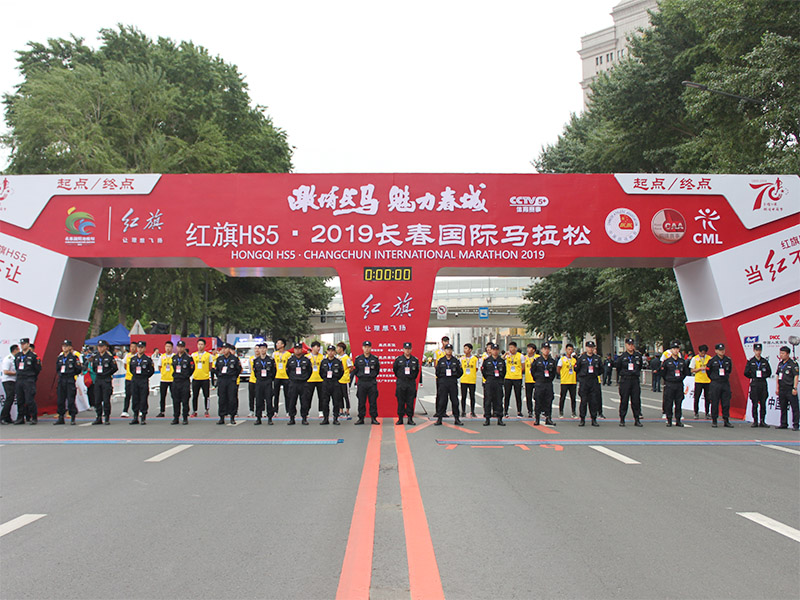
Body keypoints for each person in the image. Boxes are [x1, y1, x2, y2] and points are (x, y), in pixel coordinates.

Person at [616, 338, 644, 427]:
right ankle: (622, 419)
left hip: (635, 380)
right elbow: (618, 368)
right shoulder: (622, 357)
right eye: (629, 344)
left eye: (632, 344)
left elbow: (640, 366)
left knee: (636, 400)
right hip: (625, 380)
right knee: (624, 400)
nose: (631, 346)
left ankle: (637, 419)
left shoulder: (638, 356)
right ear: (626, 345)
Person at [743, 343, 771, 428]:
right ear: (754, 350)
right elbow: (746, 372)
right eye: (756, 350)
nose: (758, 352)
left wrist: (763, 376)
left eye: (759, 350)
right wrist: (753, 376)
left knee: (763, 403)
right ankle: (755, 421)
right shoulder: (751, 361)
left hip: (762, 383)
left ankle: (762, 421)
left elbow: (769, 372)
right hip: (755, 384)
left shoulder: (764, 361)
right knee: (754, 403)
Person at [13, 338, 40, 425]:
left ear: (28, 344)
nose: (22, 345)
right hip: (20, 379)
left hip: (28, 379)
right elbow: (16, 367)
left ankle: (34, 417)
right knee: (20, 399)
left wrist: (32, 377)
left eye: (24, 344)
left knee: (29, 399)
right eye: (21, 344)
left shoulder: (33, 356)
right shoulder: (18, 356)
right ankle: (20, 417)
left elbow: (37, 369)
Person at [660, 341, 688, 426]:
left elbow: (685, 372)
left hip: (679, 384)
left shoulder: (682, 361)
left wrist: (680, 378)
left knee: (678, 402)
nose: (675, 350)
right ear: (671, 350)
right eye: (674, 349)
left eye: (677, 349)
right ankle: (669, 419)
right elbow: (663, 373)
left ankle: (678, 420)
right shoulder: (667, 362)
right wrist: (668, 379)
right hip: (670, 384)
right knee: (669, 402)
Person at [435, 343, 463, 426]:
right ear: (445, 350)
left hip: (452, 382)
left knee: (455, 401)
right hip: (443, 382)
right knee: (442, 401)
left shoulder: (456, 361)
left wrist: (454, 377)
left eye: (450, 349)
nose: (449, 351)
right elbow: (437, 372)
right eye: (447, 349)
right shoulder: (441, 360)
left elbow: (460, 372)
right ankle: (439, 419)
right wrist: (442, 378)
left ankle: (457, 419)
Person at [54, 339, 82, 425]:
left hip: (69, 379)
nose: (64, 348)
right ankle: (61, 417)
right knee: (60, 399)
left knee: (70, 399)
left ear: (70, 347)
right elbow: (57, 368)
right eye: (63, 346)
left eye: (66, 346)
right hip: (61, 379)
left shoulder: (74, 358)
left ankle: (72, 417)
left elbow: (78, 369)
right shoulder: (60, 358)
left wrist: (71, 374)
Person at [576, 341, 602, 427]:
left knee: (593, 401)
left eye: (592, 347)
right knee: (583, 401)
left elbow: (601, 370)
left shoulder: (597, 358)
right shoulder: (581, 358)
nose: (590, 349)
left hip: (593, 381)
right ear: (586, 348)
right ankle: (582, 419)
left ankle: (594, 419)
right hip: (584, 381)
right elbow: (577, 369)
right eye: (589, 347)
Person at [707, 343, 734, 428]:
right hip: (715, 383)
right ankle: (714, 420)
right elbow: (708, 371)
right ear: (716, 351)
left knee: (726, 402)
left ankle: (726, 420)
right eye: (720, 350)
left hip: (725, 382)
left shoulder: (727, 360)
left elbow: (729, 370)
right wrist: (714, 378)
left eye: (723, 350)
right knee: (714, 402)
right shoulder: (712, 360)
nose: (722, 351)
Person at [354, 341, 380, 425]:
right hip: (362, 382)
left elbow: (377, 370)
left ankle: (374, 418)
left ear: (371, 348)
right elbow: (356, 370)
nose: (367, 349)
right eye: (365, 347)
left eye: (368, 347)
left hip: (371, 382)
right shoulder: (358, 359)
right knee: (361, 401)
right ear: (362, 348)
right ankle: (361, 418)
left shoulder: (374, 359)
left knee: (373, 401)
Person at [91, 341, 118, 425]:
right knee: (97, 400)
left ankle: (106, 417)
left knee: (106, 400)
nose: (100, 348)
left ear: (106, 347)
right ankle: (98, 417)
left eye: (102, 346)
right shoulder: (96, 357)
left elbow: (114, 368)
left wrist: (107, 373)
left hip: (106, 379)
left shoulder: (109, 357)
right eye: (99, 346)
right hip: (98, 379)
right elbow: (94, 367)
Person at [285, 343, 312, 425]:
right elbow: (288, 371)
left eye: (299, 349)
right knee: (292, 401)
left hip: (303, 383)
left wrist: (305, 378)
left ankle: (304, 418)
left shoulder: (306, 360)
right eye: (296, 349)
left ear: (302, 349)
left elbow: (309, 371)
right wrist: (292, 378)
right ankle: (292, 418)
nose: (297, 350)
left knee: (304, 401)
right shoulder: (290, 360)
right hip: (293, 383)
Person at [393, 342, 420, 425]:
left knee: (410, 401)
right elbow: (395, 370)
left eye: (409, 349)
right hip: (401, 382)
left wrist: (410, 377)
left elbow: (416, 372)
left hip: (411, 383)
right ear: (403, 349)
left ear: (411, 349)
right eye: (406, 349)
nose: (407, 350)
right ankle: (400, 419)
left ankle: (410, 419)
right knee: (400, 401)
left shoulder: (415, 360)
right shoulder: (398, 359)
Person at [128, 341, 154, 424]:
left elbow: (151, 370)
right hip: (135, 380)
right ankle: (135, 416)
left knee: (143, 398)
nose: (140, 349)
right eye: (138, 347)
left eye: (142, 347)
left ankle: (143, 416)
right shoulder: (133, 359)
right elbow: (131, 369)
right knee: (135, 398)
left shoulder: (147, 359)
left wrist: (145, 376)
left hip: (143, 380)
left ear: (144, 348)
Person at [214, 343, 241, 425]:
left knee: (232, 399)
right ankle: (222, 417)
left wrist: (233, 377)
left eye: (226, 348)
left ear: (229, 349)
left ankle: (232, 417)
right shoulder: (219, 359)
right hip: (222, 380)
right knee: (222, 398)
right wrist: (220, 376)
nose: (224, 350)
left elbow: (238, 369)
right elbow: (216, 370)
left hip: (231, 380)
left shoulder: (234, 359)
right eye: (223, 348)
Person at [531, 342, 557, 425]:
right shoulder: (537, 361)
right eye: (545, 349)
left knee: (549, 401)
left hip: (548, 383)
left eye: (548, 349)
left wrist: (549, 379)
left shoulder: (552, 361)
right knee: (538, 400)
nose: (546, 350)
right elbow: (533, 371)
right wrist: (537, 379)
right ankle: (537, 418)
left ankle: (548, 418)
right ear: (542, 350)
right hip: (539, 383)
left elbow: (554, 373)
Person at [480, 344, 506, 426]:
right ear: (491, 350)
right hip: (489, 381)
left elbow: (504, 371)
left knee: (499, 400)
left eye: (496, 349)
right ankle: (487, 418)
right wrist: (489, 378)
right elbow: (483, 371)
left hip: (498, 381)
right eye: (493, 349)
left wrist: (500, 379)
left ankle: (499, 418)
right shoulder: (487, 360)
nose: (495, 351)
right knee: (488, 400)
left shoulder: (501, 361)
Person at [318, 345, 344, 425]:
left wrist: (336, 378)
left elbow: (341, 372)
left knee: (336, 401)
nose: (330, 352)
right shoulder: (323, 362)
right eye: (329, 351)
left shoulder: (338, 362)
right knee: (325, 401)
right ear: (327, 352)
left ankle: (335, 418)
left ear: (335, 352)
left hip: (335, 383)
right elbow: (321, 372)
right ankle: (325, 419)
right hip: (326, 383)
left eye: (332, 351)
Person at [170, 341, 194, 425]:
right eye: (179, 346)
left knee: (185, 400)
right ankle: (176, 417)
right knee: (175, 400)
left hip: (184, 381)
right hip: (176, 381)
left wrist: (186, 375)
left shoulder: (188, 358)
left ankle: (185, 417)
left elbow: (191, 369)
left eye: (182, 347)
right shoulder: (174, 358)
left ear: (184, 347)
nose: (180, 348)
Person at [775, 346, 799, 431]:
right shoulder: (780, 364)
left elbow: (796, 376)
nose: (781, 355)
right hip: (782, 388)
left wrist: (795, 387)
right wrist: (777, 387)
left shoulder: (793, 364)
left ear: (788, 354)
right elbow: (777, 375)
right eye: (780, 353)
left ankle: (796, 424)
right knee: (783, 407)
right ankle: (783, 423)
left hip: (790, 388)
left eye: (783, 353)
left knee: (794, 407)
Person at [252, 343, 276, 425]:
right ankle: (258, 418)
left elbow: (274, 371)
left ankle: (270, 418)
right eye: (261, 348)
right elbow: (255, 372)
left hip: (267, 381)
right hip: (259, 381)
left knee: (269, 400)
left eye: (264, 348)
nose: (262, 350)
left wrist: (270, 379)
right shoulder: (256, 360)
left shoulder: (270, 360)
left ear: (266, 349)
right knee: (258, 400)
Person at [690, 345, 711, 419]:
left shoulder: (709, 358)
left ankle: (707, 412)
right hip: (698, 380)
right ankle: (696, 412)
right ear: (699, 352)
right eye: (701, 353)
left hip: (707, 380)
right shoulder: (695, 358)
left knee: (707, 398)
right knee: (697, 397)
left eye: (704, 353)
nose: (703, 354)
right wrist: (699, 369)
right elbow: (692, 370)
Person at [503, 341, 523, 418]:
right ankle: (505, 411)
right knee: (507, 395)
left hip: (517, 378)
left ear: (515, 348)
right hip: (508, 377)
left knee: (518, 395)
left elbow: (523, 366)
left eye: (512, 347)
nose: (510, 349)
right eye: (509, 347)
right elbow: (500, 359)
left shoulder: (520, 356)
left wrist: (518, 372)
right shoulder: (508, 356)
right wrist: (505, 354)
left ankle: (519, 411)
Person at [0, 344, 19, 424]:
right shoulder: (8, 359)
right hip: (8, 380)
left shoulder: (15, 359)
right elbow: (6, 371)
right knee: (9, 398)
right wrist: (16, 373)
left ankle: (7, 417)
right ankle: (3, 417)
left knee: (11, 399)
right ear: (15, 350)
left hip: (13, 380)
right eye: (18, 350)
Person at [557, 344, 577, 418]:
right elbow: (558, 369)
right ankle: (561, 412)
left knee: (573, 398)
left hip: (573, 381)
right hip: (564, 381)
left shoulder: (574, 360)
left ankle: (573, 412)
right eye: (569, 349)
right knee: (562, 397)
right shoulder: (562, 359)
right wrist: (562, 375)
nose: (570, 351)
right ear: (566, 350)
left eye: (571, 349)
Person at [305, 341, 325, 417]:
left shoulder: (322, 357)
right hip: (310, 379)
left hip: (320, 379)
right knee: (308, 397)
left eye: (319, 347)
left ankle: (321, 411)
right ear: (312, 347)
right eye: (317, 347)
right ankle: (306, 411)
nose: (318, 348)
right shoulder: (307, 357)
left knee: (321, 396)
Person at [272, 338, 291, 417]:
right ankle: (275, 411)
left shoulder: (288, 354)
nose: (277, 345)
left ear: (283, 345)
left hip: (286, 377)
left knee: (287, 395)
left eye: (278, 343)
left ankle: (288, 411)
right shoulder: (274, 354)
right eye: (277, 343)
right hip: (277, 376)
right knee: (276, 395)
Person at [460, 343, 478, 418]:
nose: (465, 350)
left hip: (472, 380)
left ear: (470, 350)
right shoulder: (461, 358)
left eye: (466, 348)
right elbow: (460, 368)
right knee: (463, 396)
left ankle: (472, 411)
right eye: (464, 348)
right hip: (463, 379)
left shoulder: (475, 359)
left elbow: (476, 368)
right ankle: (463, 411)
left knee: (472, 396)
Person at [156, 341, 174, 418]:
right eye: (166, 346)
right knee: (162, 396)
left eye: (169, 346)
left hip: (172, 379)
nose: (168, 348)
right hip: (164, 379)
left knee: (174, 396)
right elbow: (159, 367)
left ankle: (176, 411)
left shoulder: (174, 356)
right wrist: (163, 373)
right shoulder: (162, 357)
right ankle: (162, 411)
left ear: (172, 348)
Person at [336, 342, 353, 419]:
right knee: (339, 396)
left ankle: (347, 410)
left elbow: (351, 367)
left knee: (346, 396)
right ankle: (341, 410)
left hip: (345, 380)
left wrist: (347, 373)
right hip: (338, 379)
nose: (337, 349)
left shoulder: (346, 358)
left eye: (338, 348)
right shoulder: (337, 357)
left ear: (341, 349)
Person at [523, 343, 538, 418]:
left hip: (536, 380)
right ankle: (530, 411)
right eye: (527, 348)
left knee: (537, 396)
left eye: (530, 348)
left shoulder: (537, 357)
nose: (528, 349)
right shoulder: (524, 358)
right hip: (528, 380)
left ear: (533, 350)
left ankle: (537, 410)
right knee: (528, 396)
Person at [121, 346, 134, 418]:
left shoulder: (137, 356)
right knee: (127, 395)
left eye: (134, 347)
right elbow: (125, 365)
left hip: (135, 379)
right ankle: (125, 410)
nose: (133, 348)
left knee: (136, 396)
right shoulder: (127, 355)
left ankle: (137, 410)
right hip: (128, 378)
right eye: (131, 347)